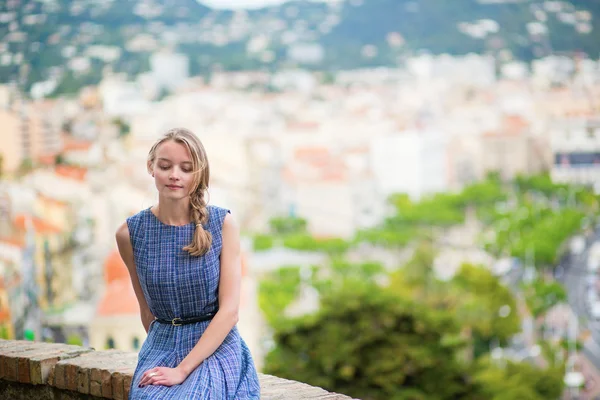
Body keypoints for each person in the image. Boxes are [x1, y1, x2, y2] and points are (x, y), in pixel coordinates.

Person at [115, 128, 261, 399]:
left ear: (198, 173)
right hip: (161, 345)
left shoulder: (221, 224)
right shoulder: (130, 233)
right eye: (165, 166)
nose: (174, 175)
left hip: (216, 346)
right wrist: (167, 353)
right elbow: (146, 311)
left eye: (186, 168)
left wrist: (182, 369)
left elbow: (230, 311)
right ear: (151, 167)